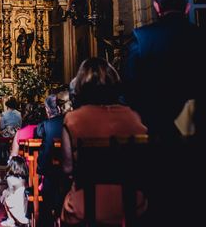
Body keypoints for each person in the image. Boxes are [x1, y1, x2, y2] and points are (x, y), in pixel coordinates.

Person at [61, 57, 147, 225]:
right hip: (131, 202)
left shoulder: (73, 119)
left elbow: (67, 168)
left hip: (85, 204)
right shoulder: (133, 116)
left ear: (81, 85)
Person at [123, 0, 201, 139]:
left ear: (157, 7)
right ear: (187, 8)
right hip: (200, 129)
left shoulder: (141, 38)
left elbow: (129, 86)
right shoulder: (205, 38)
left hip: (155, 128)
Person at [36, 94, 65, 225]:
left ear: (47, 110)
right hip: (77, 176)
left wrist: (40, 170)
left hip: (54, 176)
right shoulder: (76, 121)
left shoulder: (47, 126)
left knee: (47, 194)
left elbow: (44, 156)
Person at [0, 156, 29, 227]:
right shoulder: (25, 178)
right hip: (24, 205)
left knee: (5, 195)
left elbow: (10, 191)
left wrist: (3, 194)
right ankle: (18, 221)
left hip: (17, 206)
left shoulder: (10, 178)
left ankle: (11, 221)